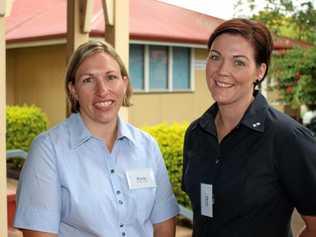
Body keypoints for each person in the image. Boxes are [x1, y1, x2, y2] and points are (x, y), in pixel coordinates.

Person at [14, 40, 179, 237]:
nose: (102, 90)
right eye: (88, 80)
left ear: (124, 84)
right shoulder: (48, 150)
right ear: (73, 90)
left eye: (111, 77)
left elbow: (164, 225)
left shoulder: (147, 147)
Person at [181, 18, 316, 237]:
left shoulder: (287, 138)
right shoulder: (196, 134)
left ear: (260, 72)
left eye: (239, 62)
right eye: (215, 57)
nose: (222, 71)